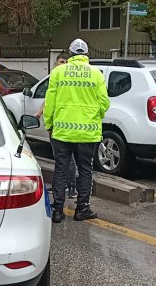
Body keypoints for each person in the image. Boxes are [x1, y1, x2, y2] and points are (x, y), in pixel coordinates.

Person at [44, 39, 109, 223]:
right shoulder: (96, 74)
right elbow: (104, 102)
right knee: (85, 169)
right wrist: (95, 115)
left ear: (70, 55)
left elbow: (50, 103)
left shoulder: (58, 72)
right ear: (86, 55)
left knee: (61, 169)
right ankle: (82, 209)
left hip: (62, 131)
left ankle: (58, 211)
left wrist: (49, 123)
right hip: (87, 132)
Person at [34, 53, 78, 199]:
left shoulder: (69, 80)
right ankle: (61, 185)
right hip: (57, 125)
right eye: (61, 61)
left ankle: (71, 187)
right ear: (56, 64)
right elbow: (49, 99)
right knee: (59, 158)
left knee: (67, 158)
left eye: (66, 61)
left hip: (66, 125)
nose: (63, 64)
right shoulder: (56, 77)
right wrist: (40, 113)